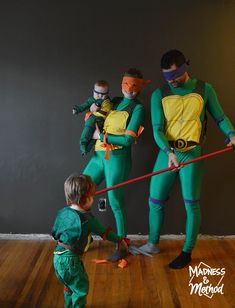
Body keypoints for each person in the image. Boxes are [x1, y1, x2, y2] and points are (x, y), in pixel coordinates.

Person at [139, 49, 235, 269]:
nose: (172, 81)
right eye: (167, 77)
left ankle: (187, 252)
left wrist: (231, 134)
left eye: (175, 76)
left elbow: (220, 117)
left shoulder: (204, 89)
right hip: (168, 153)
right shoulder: (159, 94)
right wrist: (168, 153)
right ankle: (153, 243)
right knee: (155, 199)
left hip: (192, 153)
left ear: (185, 69)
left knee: (191, 203)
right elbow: (157, 130)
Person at [83, 68, 150, 261]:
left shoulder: (137, 108)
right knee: (80, 193)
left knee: (115, 201)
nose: (130, 89)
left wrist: (100, 135)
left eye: (134, 85)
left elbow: (127, 141)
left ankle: (122, 244)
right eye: (126, 84)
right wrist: (90, 114)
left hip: (118, 158)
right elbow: (96, 115)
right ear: (121, 84)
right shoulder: (113, 102)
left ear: (140, 87)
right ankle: (84, 236)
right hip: (98, 156)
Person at [51, 174, 130, 308]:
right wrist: (120, 239)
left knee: (70, 286)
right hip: (71, 261)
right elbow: (106, 234)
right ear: (84, 200)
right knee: (81, 289)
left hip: (58, 258)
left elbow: (55, 232)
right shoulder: (88, 220)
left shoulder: (64, 212)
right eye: (91, 197)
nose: (93, 199)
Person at [73, 80, 112, 155]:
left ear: (107, 94)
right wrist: (77, 109)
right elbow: (84, 105)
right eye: (97, 93)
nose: (100, 96)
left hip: (103, 123)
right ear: (93, 91)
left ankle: (86, 149)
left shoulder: (107, 101)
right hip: (93, 119)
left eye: (103, 94)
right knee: (87, 133)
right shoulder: (92, 100)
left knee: (96, 138)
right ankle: (83, 145)